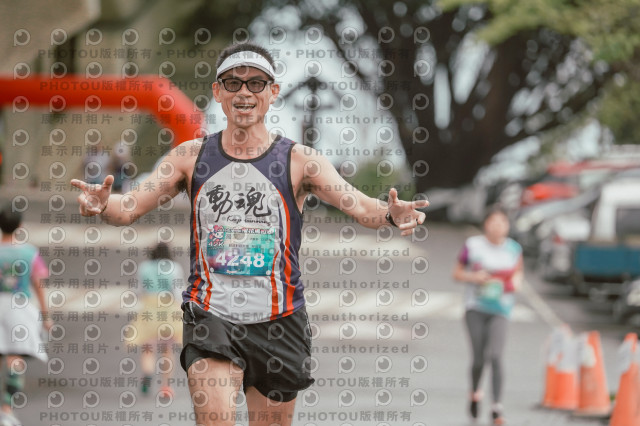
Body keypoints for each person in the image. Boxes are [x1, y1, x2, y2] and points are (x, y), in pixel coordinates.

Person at [71, 41, 428, 426]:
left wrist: (390, 214)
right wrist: (103, 205)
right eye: (233, 83)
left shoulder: (300, 161)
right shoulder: (190, 158)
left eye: (256, 83)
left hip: (280, 320)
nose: (244, 92)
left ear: (273, 92)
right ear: (218, 92)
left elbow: (360, 207)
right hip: (212, 317)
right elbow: (128, 208)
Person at [452, 205, 523, 425]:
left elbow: (519, 276)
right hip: (475, 308)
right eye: (494, 221)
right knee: (479, 359)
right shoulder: (473, 245)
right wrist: (475, 278)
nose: (498, 226)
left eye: (502, 222)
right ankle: (475, 393)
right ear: (486, 224)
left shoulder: (514, 249)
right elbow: (457, 273)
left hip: (501, 309)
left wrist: (510, 283)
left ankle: (496, 407)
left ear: (508, 226)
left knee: (496, 356)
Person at [0, 204, 52, 426]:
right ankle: (7, 410)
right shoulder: (29, 253)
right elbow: (39, 285)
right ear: (20, 226)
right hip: (19, 309)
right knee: (15, 358)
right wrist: (46, 316)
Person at [130, 242, 185, 398]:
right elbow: (178, 292)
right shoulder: (174, 267)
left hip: (149, 309)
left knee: (148, 348)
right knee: (167, 350)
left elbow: (138, 290)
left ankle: (147, 373)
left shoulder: (144, 267)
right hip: (168, 310)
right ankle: (166, 386)